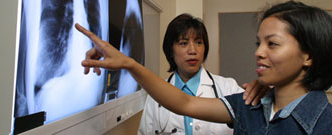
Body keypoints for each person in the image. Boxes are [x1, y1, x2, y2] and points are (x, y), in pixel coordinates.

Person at [75, 1, 332, 134]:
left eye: (272, 44)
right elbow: (184, 104)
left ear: (308, 55)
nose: (258, 52)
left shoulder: (325, 124)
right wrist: (129, 63)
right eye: (258, 43)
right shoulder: (249, 106)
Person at [138, 13, 263, 135]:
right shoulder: (156, 95)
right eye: (183, 43)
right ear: (170, 50)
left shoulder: (228, 87)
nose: (193, 50)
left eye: (198, 42)